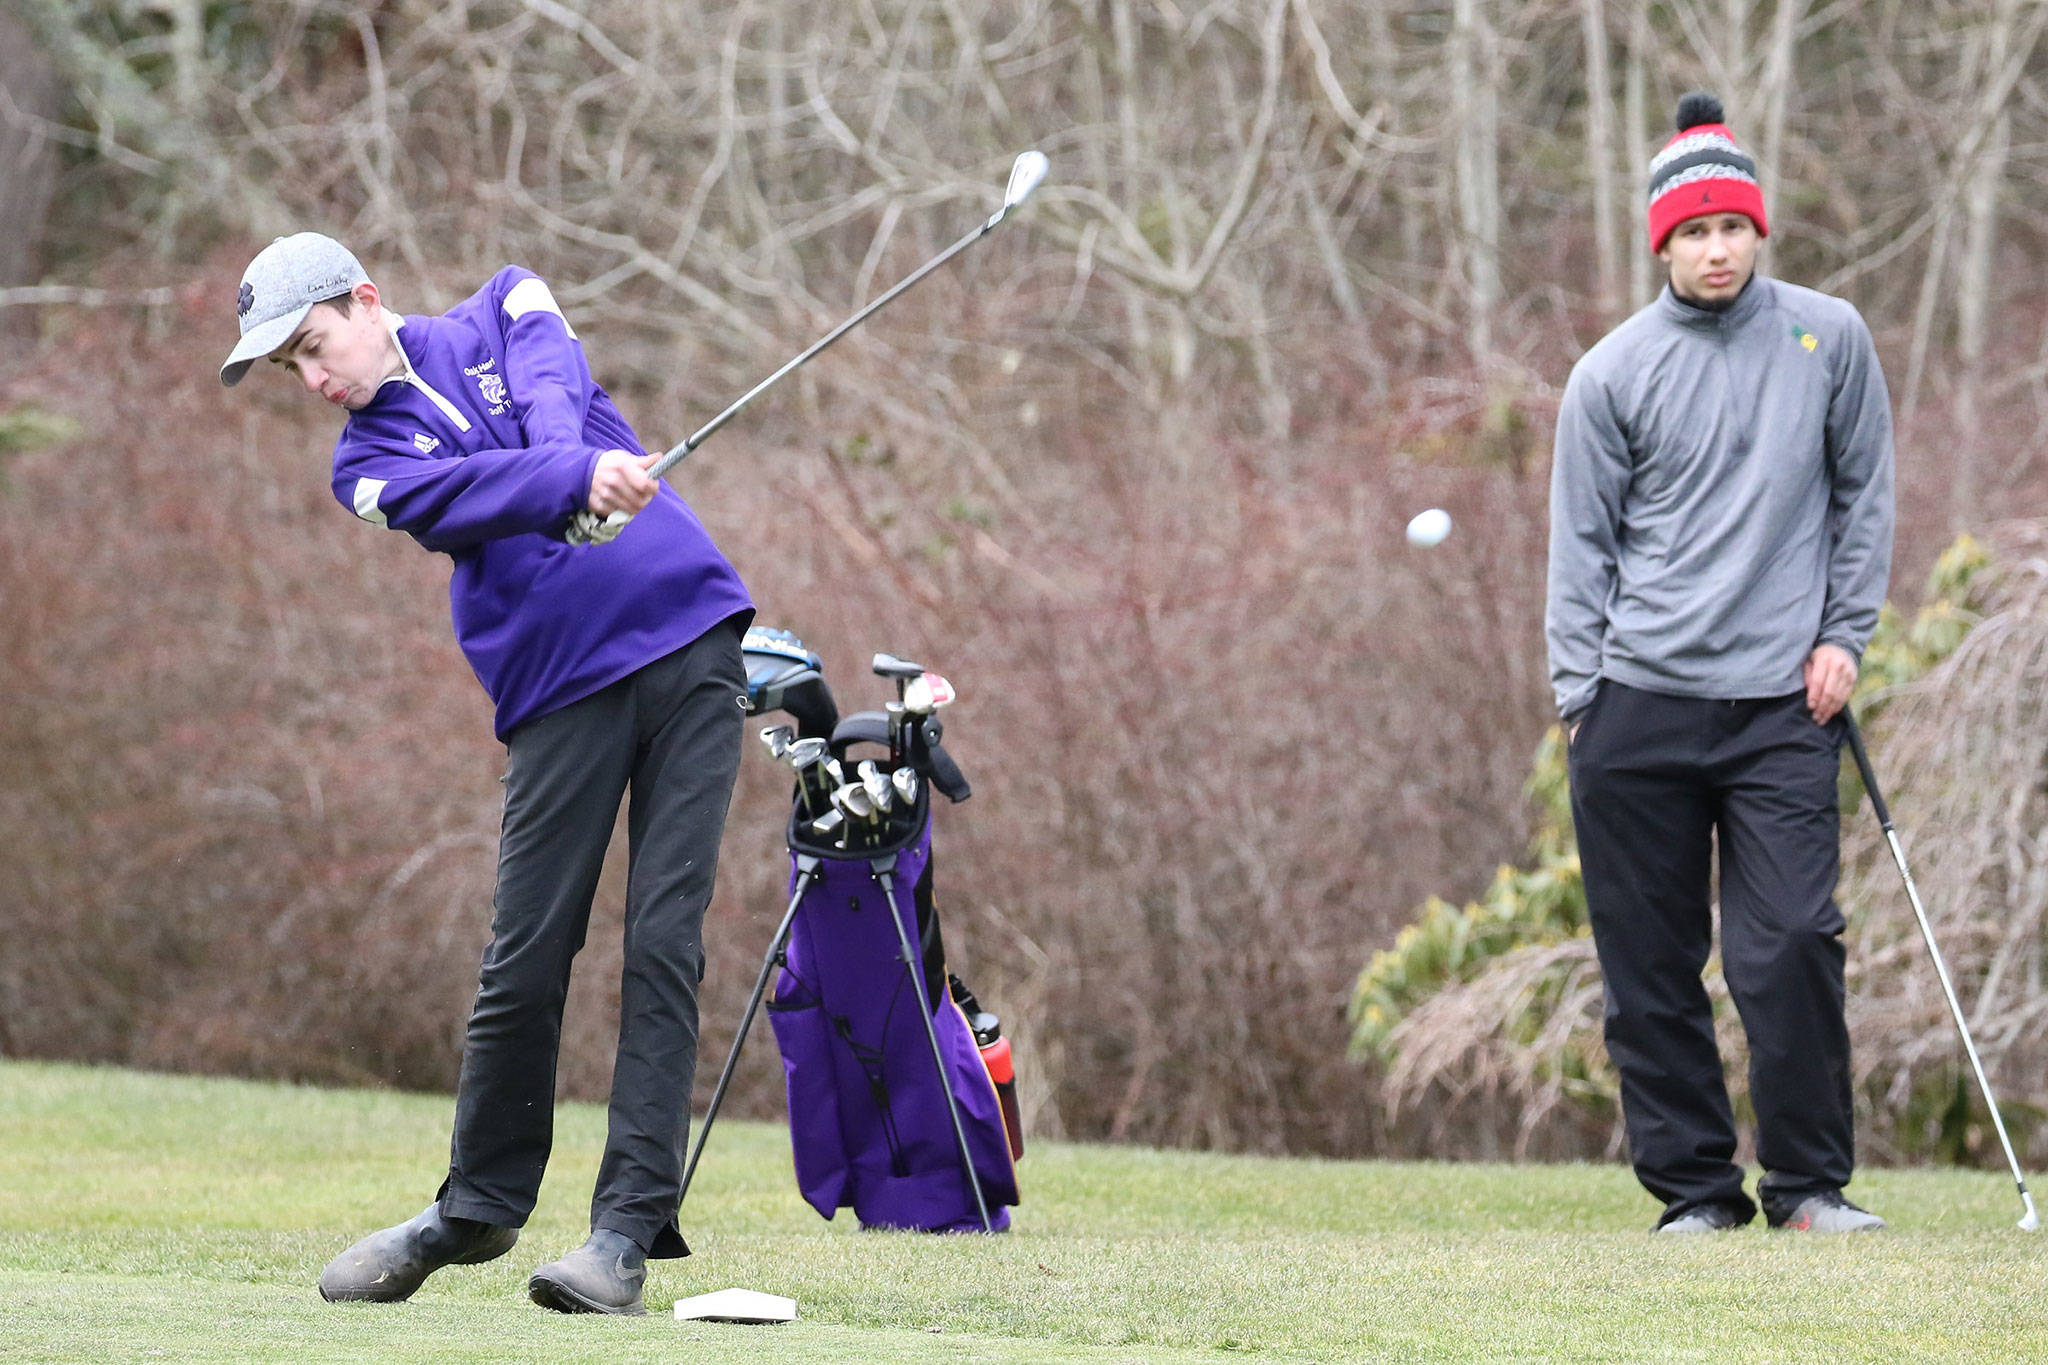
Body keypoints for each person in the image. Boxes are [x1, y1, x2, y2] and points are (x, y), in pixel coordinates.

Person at [219, 233, 756, 1311]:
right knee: (525, 957)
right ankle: (476, 1206)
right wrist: (567, 482)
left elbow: (554, 377)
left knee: (663, 941)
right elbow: (467, 495)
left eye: (314, 347)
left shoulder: (507, 302)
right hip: (560, 686)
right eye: (293, 370)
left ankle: (621, 1237)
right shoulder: (364, 470)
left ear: (366, 300)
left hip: (690, 630)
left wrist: (582, 472)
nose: (315, 380)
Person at [1546, 94, 1895, 1234]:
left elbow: (1862, 494)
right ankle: (1694, 1193)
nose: (1713, 250)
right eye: (1692, 233)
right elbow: (1580, 546)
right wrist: (1577, 698)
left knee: (1789, 941)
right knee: (1649, 967)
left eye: (1730, 229)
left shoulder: (1827, 338)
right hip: (1634, 705)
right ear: (1662, 243)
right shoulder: (1609, 374)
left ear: (1758, 233)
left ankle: (1806, 1185)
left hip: (1780, 704)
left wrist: (1844, 633)